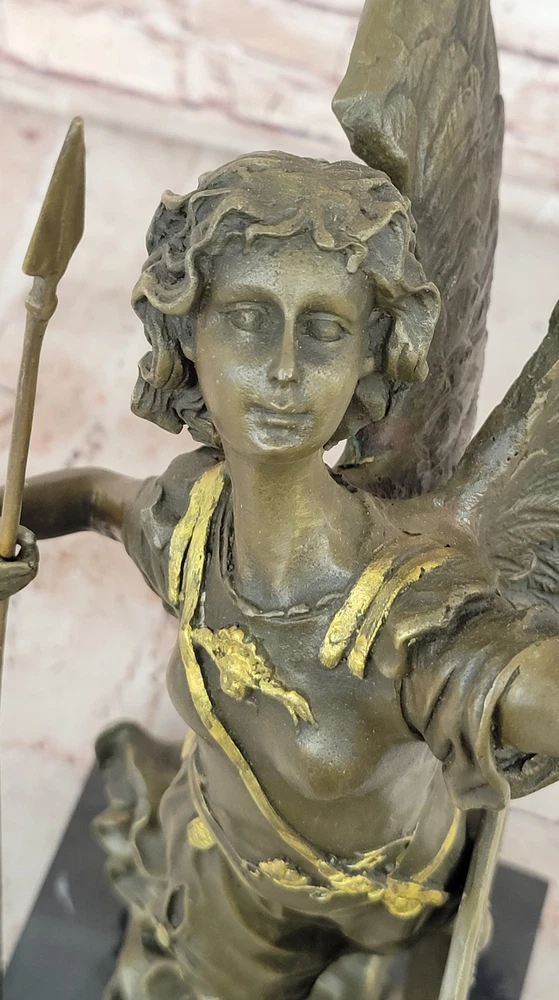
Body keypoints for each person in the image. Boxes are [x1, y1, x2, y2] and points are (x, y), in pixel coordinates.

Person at [3, 152, 559, 1000]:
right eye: (248, 318)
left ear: (370, 357)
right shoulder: (193, 520)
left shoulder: (412, 622)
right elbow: (94, 498)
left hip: (367, 906)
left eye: (325, 328)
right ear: (188, 337)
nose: (286, 368)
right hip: (222, 853)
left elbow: (517, 683)